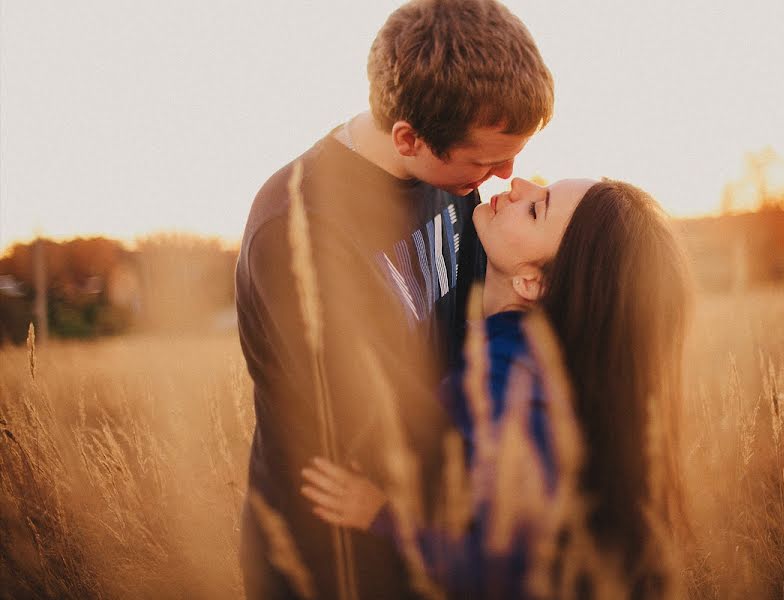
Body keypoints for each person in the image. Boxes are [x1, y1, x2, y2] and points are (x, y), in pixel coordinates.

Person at [235, 1, 554, 598]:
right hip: (337, 561)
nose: (506, 174)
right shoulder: (300, 229)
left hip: (434, 547)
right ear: (408, 137)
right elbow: (377, 423)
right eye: (486, 159)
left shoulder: (454, 186)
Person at [301, 177, 695, 598]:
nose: (518, 185)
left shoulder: (511, 373)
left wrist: (379, 514)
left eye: (535, 209)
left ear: (532, 283)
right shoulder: (522, 353)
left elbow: (505, 567)